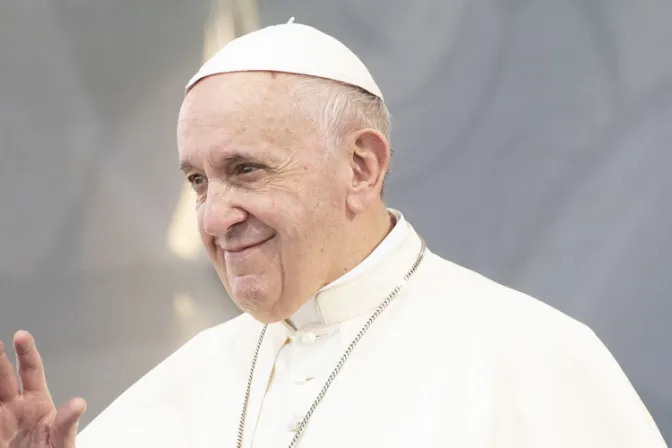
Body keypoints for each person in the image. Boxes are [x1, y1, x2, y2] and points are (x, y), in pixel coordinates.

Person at [0, 20, 667, 448]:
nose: (212, 217)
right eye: (198, 181)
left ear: (361, 166)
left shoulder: (532, 362)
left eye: (245, 170)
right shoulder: (180, 385)